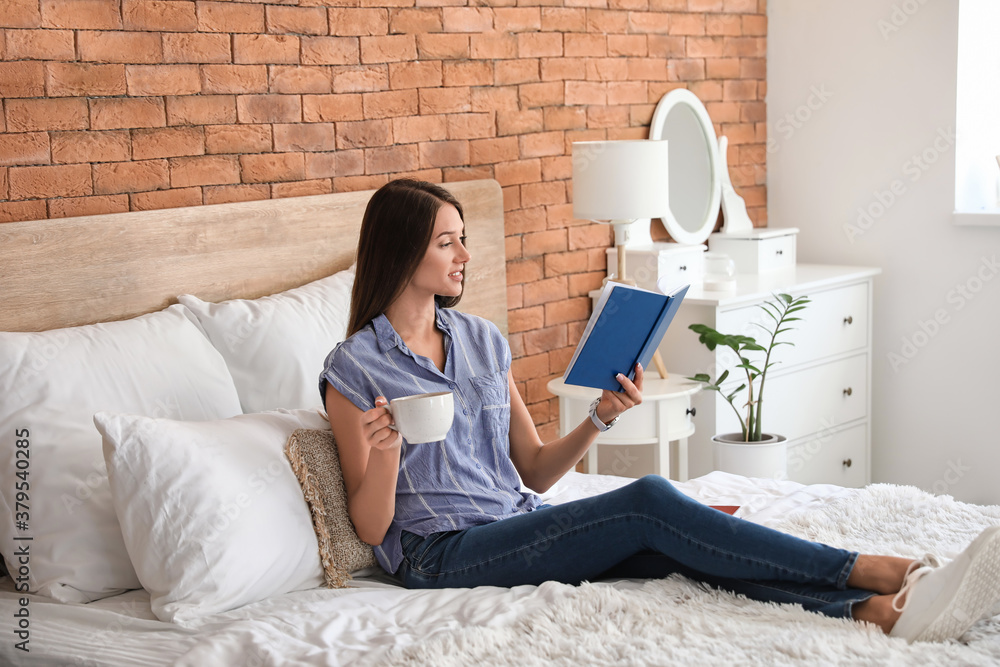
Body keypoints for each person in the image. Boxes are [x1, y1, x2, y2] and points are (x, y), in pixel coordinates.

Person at [319, 178, 1000, 644]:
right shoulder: (355, 367)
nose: (466, 254)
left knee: (667, 544)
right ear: (404, 249)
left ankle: (876, 612)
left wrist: (600, 417)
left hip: (519, 521)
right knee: (649, 497)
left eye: (464, 237)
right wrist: (385, 456)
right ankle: (874, 566)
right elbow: (372, 525)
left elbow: (533, 471)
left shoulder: (481, 341)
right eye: (447, 242)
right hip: (438, 554)